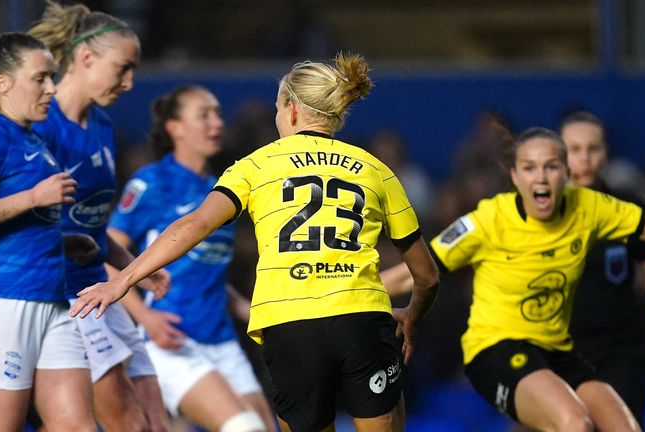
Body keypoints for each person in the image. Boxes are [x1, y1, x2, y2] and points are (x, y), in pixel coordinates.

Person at [71, 52, 440, 432]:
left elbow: (194, 225)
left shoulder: (255, 166)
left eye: (278, 106)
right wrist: (412, 315)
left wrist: (122, 280)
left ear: (292, 110)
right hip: (362, 318)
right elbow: (426, 275)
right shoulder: (376, 169)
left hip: (288, 324)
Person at [381, 126, 645, 431]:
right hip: (495, 349)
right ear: (515, 177)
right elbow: (416, 272)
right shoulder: (490, 220)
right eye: (529, 168)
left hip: (556, 351)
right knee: (576, 424)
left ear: (566, 173)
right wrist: (351, 288)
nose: (540, 177)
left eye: (551, 167)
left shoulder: (590, 208)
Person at [0, 31, 96, 432]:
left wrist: (60, 242)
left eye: (52, 77)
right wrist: (33, 197)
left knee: (78, 426)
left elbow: (17, 220)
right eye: (40, 78)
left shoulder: (31, 137)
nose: (52, 87)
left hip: (52, 298)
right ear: (3, 85)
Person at [28, 2, 170, 431]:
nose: (129, 83)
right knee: (125, 420)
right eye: (122, 68)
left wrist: (134, 269)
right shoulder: (40, 124)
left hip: (101, 288)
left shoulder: (103, 125)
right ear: (86, 57)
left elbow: (88, 224)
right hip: (64, 294)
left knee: (154, 419)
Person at [107, 85, 276, 432]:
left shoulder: (221, 187)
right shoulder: (152, 183)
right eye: (204, 115)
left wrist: (246, 308)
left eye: (218, 113)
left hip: (222, 339)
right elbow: (107, 253)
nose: (217, 123)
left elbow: (207, 268)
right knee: (244, 428)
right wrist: (146, 320)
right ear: (175, 127)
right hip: (172, 338)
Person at [561, 111, 645, 425]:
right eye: (575, 149)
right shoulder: (539, 214)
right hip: (556, 352)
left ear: (606, 152)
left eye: (593, 148)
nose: (585, 158)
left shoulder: (626, 208)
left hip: (619, 352)